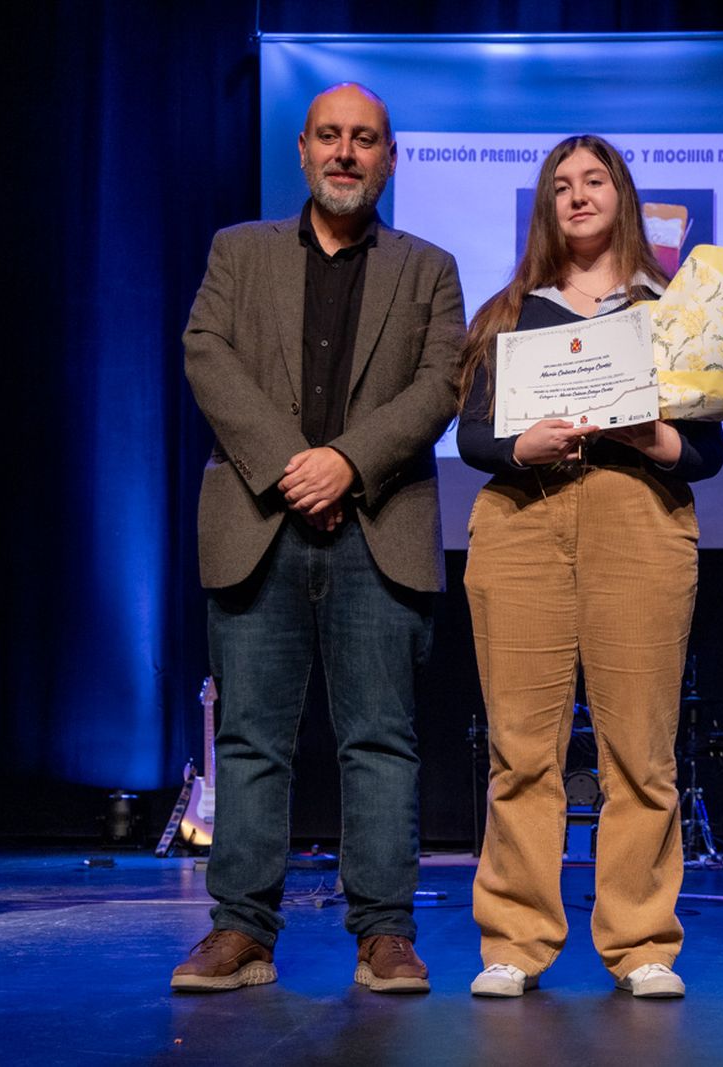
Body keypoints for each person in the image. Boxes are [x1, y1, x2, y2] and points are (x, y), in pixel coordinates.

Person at [172, 83, 465, 994]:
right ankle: (240, 933)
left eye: (365, 139)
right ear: (302, 150)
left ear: (389, 158)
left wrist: (346, 462)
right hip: (259, 524)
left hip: (378, 528)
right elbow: (205, 352)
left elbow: (441, 382)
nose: (346, 152)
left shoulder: (430, 267)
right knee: (254, 739)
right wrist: (294, 465)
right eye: (330, 136)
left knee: (379, 740)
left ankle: (384, 933)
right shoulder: (239, 250)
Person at [455, 135, 723, 999]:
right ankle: (515, 939)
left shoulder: (673, 309)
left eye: (594, 180)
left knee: (640, 752)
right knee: (521, 750)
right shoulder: (509, 310)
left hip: (636, 521)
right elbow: (471, 437)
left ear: (623, 195)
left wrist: (651, 435)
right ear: (546, 204)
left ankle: (643, 941)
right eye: (561, 185)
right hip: (523, 522)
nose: (577, 196)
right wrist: (520, 444)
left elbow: (708, 451)